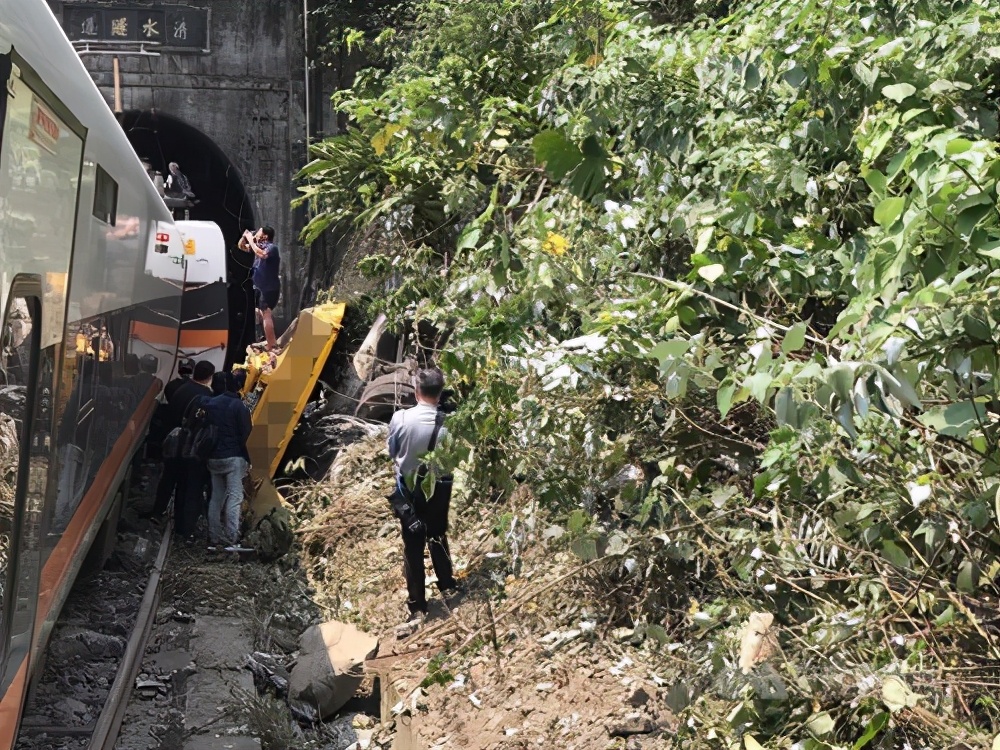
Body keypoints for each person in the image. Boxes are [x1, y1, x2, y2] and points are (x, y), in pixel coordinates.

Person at [387, 367, 459, 630]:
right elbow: (456, 456)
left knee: (412, 545)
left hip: (409, 488)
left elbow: (392, 451)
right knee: (438, 535)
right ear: (440, 393)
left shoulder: (401, 419)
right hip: (440, 485)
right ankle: (448, 586)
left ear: (416, 391)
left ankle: (417, 606)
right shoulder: (451, 422)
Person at [167, 359, 215, 540]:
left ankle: (176, 524)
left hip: (174, 446)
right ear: (209, 377)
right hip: (192, 449)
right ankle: (186, 530)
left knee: (178, 484)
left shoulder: (179, 389)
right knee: (191, 488)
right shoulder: (206, 397)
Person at [205, 370, 252, 548]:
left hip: (213, 458)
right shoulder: (239, 406)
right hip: (233, 458)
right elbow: (246, 433)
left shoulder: (211, 403)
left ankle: (214, 537)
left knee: (216, 497)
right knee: (234, 497)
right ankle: (231, 538)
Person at [147, 359, 195, 519]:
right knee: (184, 480)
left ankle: (158, 511)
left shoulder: (171, 386)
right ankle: (179, 517)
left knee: (168, 477)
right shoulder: (198, 391)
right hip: (189, 442)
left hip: (171, 436)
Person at [241, 226, 280, 352]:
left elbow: (261, 254)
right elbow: (241, 247)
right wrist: (244, 237)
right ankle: (269, 341)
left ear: (265, 236)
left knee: (266, 313)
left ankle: (272, 345)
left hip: (268, 288)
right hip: (259, 287)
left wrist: (250, 240)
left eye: (259, 231)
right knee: (260, 312)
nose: (256, 232)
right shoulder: (258, 247)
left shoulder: (271, 248)